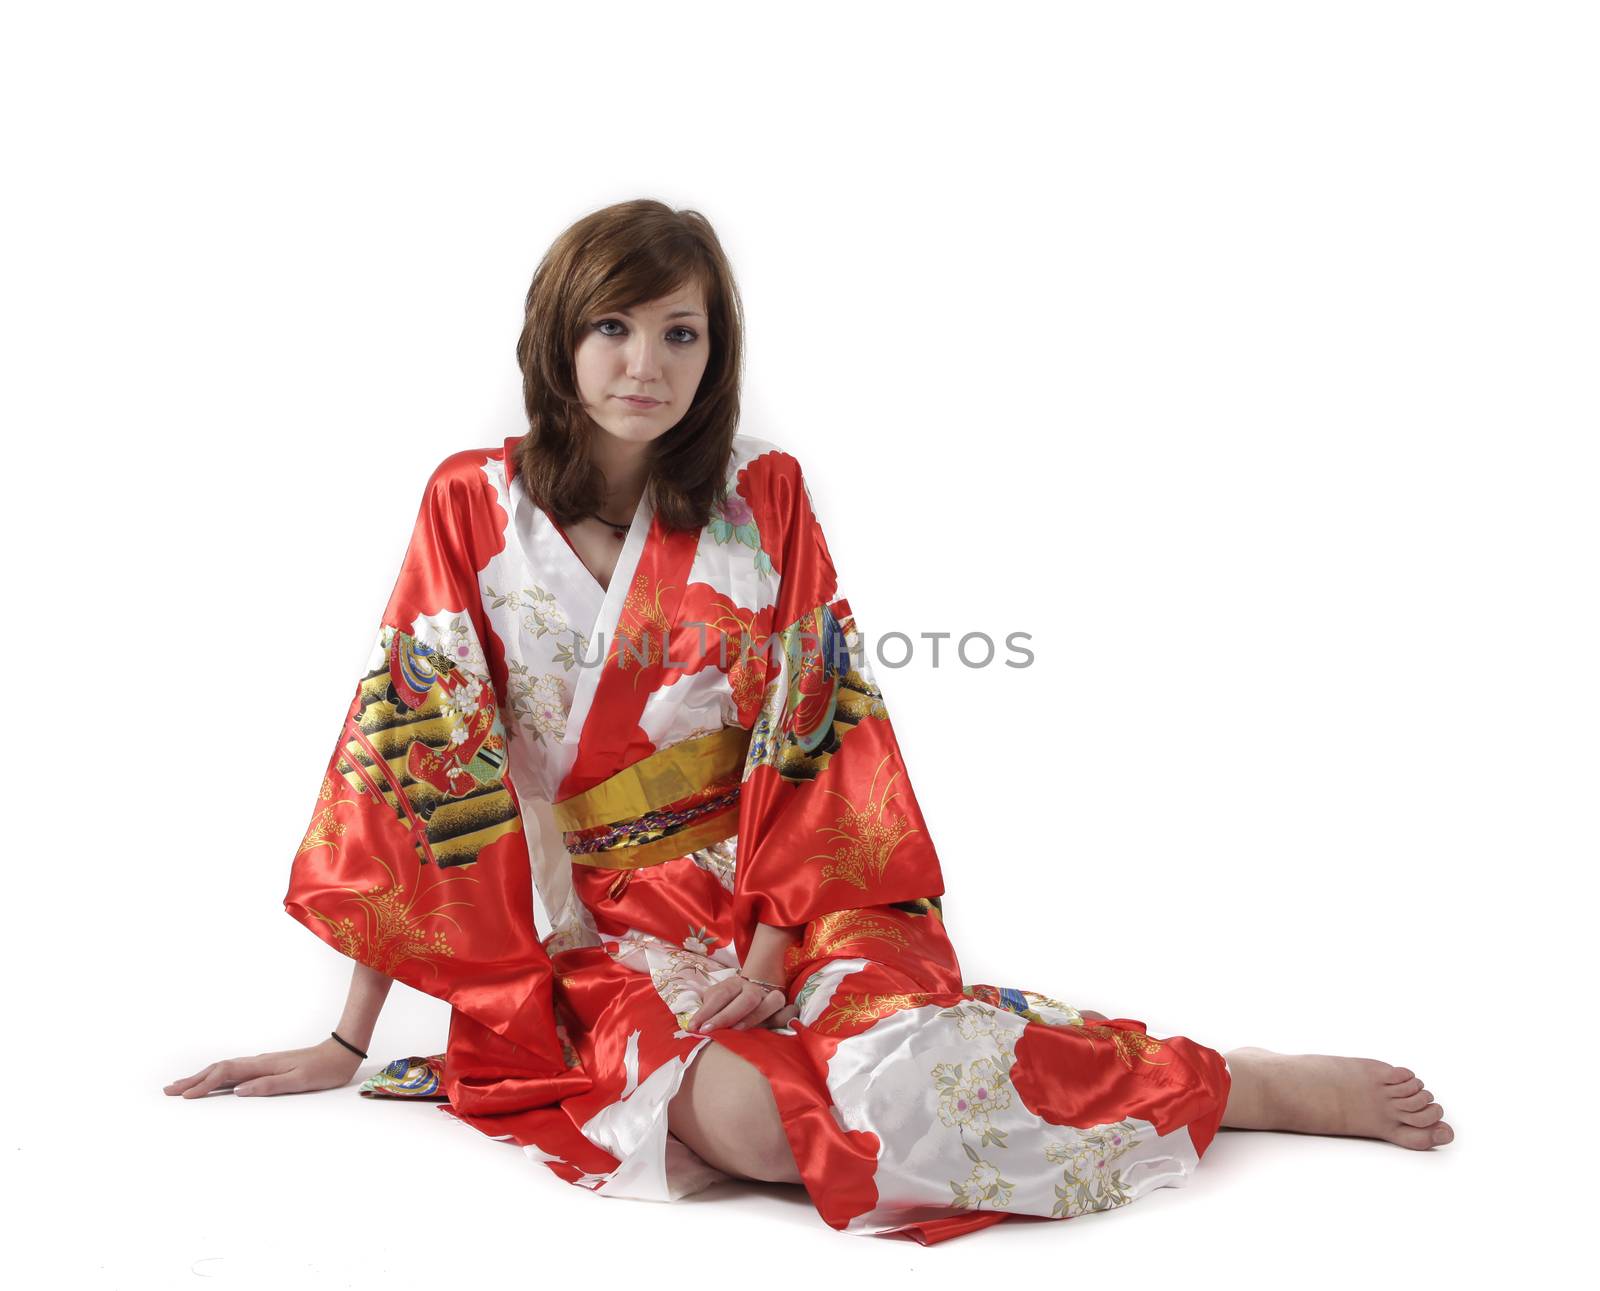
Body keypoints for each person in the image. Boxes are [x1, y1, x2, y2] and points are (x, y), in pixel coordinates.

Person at [165, 199, 1453, 1243]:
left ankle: (1230, 1079)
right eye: (611, 328)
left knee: (901, 1074)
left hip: (792, 887)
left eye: (682, 333)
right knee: (763, 1137)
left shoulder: (761, 499)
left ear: (717, 348)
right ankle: (959, 1066)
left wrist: (775, 961)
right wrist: (349, 1038)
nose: (644, 366)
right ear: (556, 339)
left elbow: (814, 732)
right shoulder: (468, 506)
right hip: (597, 919)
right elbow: (420, 767)